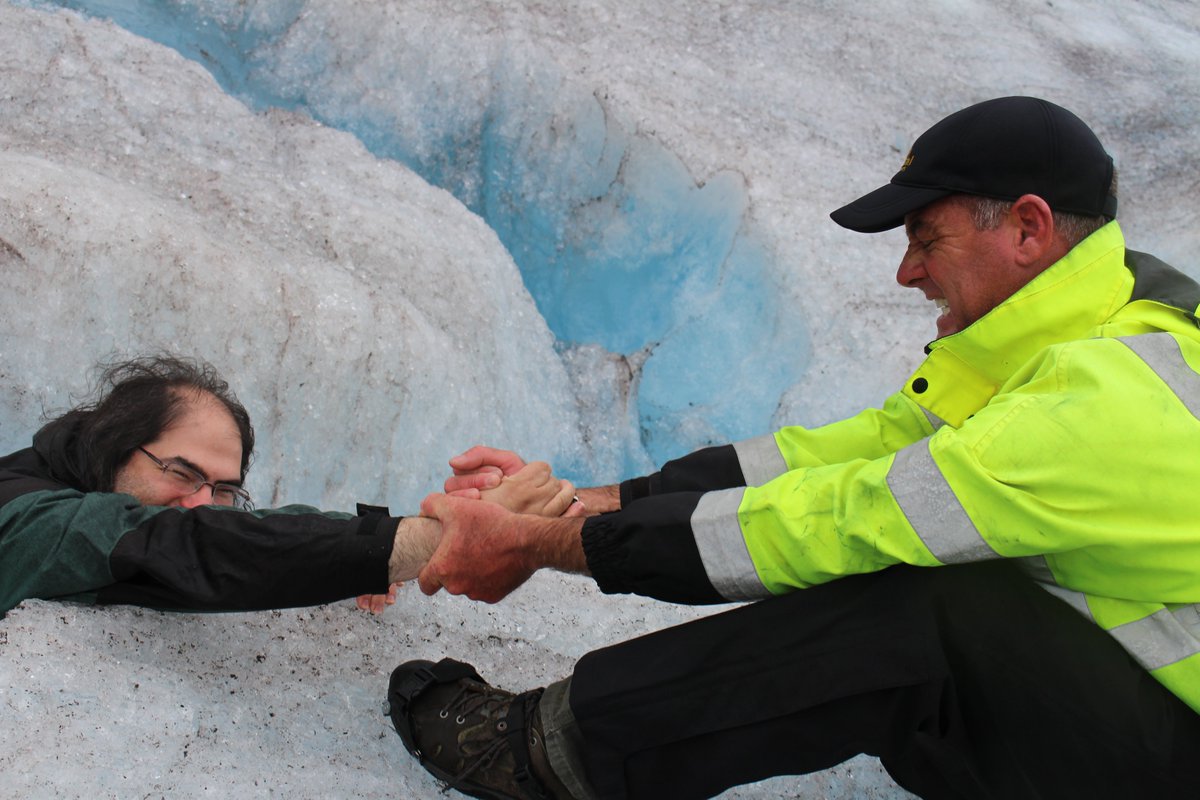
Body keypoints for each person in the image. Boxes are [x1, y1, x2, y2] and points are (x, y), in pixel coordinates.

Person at [385, 96, 1200, 799]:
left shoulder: (1103, 402)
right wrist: (595, 501)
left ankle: (550, 754)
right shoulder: (1102, 314)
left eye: (927, 239)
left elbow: (843, 519)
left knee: (925, 610)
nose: (906, 272)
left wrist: (539, 544)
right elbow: (857, 453)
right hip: (1131, 710)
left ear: (1028, 227)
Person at [0, 354, 575, 616]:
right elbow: (185, 547)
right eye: (182, 473)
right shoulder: (23, 515)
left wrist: (377, 546)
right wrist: (429, 539)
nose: (202, 504)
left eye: (221, 488)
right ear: (112, 447)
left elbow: (254, 531)